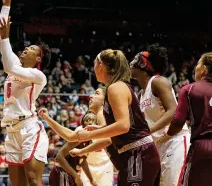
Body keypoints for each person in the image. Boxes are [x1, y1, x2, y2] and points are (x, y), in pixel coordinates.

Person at [40, 49, 161, 186]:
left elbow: (123, 125)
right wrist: (100, 128)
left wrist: (87, 137)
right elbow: (127, 125)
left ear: (101, 66)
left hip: (138, 153)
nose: (93, 69)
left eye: (94, 64)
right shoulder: (117, 87)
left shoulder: (115, 87)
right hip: (135, 154)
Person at [0, 0, 51, 186]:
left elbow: (8, 61)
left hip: (29, 129)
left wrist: (6, 37)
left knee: (34, 180)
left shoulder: (38, 76)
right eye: (27, 47)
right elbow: (0, 37)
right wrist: (6, 4)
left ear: (38, 59)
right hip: (11, 131)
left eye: (32, 49)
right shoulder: (16, 67)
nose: (26, 48)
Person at [130, 43, 190, 186]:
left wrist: (147, 132)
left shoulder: (158, 81)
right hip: (159, 145)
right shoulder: (140, 94)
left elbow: (173, 110)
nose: (130, 64)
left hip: (174, 141)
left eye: (134, 60)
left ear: (143, 64)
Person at [167, 52, 212, 186]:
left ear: (204, 69)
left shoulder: (189, 89)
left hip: (202, 148)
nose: (195, 68)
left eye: (198, 64)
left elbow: (178, 122)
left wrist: (167, 133)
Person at [49, 113, 97, 186]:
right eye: (87, 120)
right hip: (61, 172)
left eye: (93, 120)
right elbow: (59, 158)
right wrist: (76, 177)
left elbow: (83, 161)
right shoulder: (78, 137)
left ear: (96, 124)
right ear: (83, 123)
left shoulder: (90, 141)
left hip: (71, 174)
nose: (90, 122)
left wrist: (91, 179)